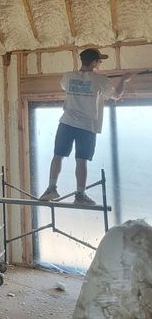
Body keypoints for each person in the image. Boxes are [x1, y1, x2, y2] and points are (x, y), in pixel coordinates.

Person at [39, 48, 133, 205]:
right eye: (99, 60)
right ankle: (80, 195)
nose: (100, 62)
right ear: (94, 62)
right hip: (86, 126)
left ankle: (50, 189)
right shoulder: (100, 79)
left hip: (66, 122)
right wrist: (123, 79)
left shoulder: (68, 77)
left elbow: (67, 86)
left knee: (58, 155)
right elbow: (116, 95)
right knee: (81, 160)